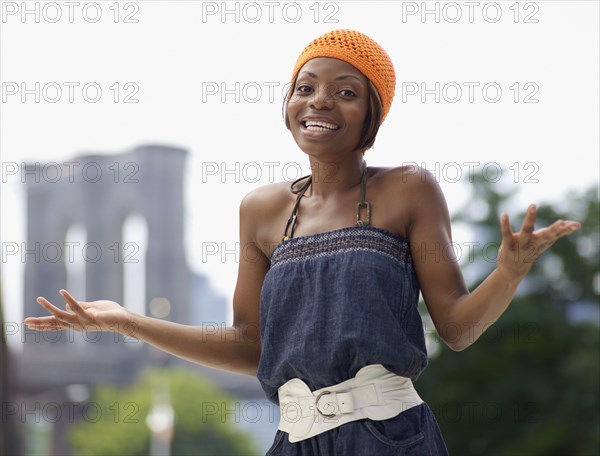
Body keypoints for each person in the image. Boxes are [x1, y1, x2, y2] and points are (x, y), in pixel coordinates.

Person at [24, 29, 580, 455]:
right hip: (295, 439)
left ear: (372, 117)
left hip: (389, 436)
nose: (319, 102)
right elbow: (250, 347)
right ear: (287, 102)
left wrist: (508, 272)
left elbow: (456, 328)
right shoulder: (261, 211)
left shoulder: (408, 189)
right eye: (305, 87)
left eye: (346, 92)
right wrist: (127, 322)